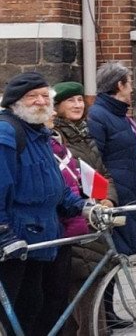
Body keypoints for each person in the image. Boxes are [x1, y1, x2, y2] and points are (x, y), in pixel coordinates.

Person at [0, 73, 102, 335]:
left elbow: (56, 187)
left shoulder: (42, 135)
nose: (40, 101)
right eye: (32, 96)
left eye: (45, 95)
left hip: (45, 239)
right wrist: (3, 232)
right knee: (19, 315)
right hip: (16, 241)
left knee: (43, 310)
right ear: (15, 102)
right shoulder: (7, 131)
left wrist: (83, 206)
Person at [47, 81, 117, 333]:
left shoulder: (84, 133)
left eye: (80, 100)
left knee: (93, 286)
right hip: (75, 219)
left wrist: (108, 198)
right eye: (70, 101)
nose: (77, 105)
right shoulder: (58, 138)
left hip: (93, 216)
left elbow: (101, 173)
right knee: (81, 285)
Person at [86, 62, 136, 261]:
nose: (132, 89)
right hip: (115, 194)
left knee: (124, 256)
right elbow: (95, 159)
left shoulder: (119, 115)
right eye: (129, 83)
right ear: (119, 85)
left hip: (129, 189)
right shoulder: (99, 115)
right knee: (113, 255)